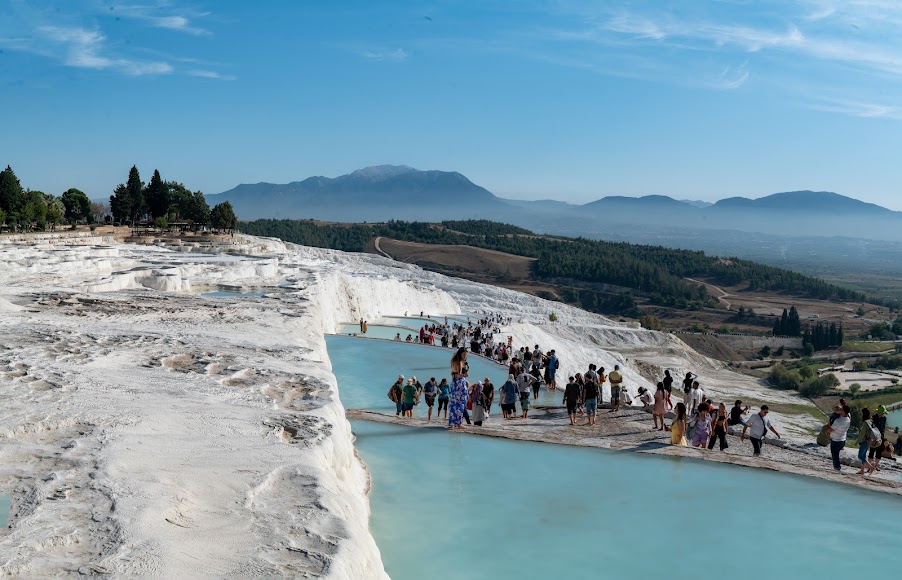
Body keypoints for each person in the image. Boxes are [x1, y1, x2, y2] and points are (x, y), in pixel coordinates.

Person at [825, 405, 851, 471]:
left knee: (835, 455)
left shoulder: (838, 421)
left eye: (841, 410)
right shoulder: (848, 420)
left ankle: (837, 468)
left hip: (836, 440)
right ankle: (837, 467)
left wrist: (827, 432)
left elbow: (830, 429)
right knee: (836, 454)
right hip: (842, 440)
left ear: (843, 411)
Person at [449, 348, 469, 430]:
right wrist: (465, 375)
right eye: (464, 354)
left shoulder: (455, 362)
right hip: (459, 384)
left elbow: (453, 374)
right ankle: (459, 423)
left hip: (455, 384)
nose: (465, 356)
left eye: (466, 355)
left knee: (454, 404)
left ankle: (452, 422)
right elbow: (458, 375)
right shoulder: (459, 362)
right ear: (460, 354)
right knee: (460, 404)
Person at [856, 408, 878, 475]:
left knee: (860, 456)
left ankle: (871, 467)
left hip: (864, 441)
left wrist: (857, 441)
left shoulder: (865, 423)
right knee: (864, 456)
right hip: (869, 441)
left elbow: (862, 433)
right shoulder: (870, 422)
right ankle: (862, 470)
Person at [870, 405, 888, 471]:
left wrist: (882, 437)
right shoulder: (873, 417)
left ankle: (876, 466)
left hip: (881, 437)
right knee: (871, 451)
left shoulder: (884, 418)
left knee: (879, 452)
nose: (883, 414)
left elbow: (883, 428)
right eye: (882, 413)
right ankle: (870, 466)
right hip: (874, 436)